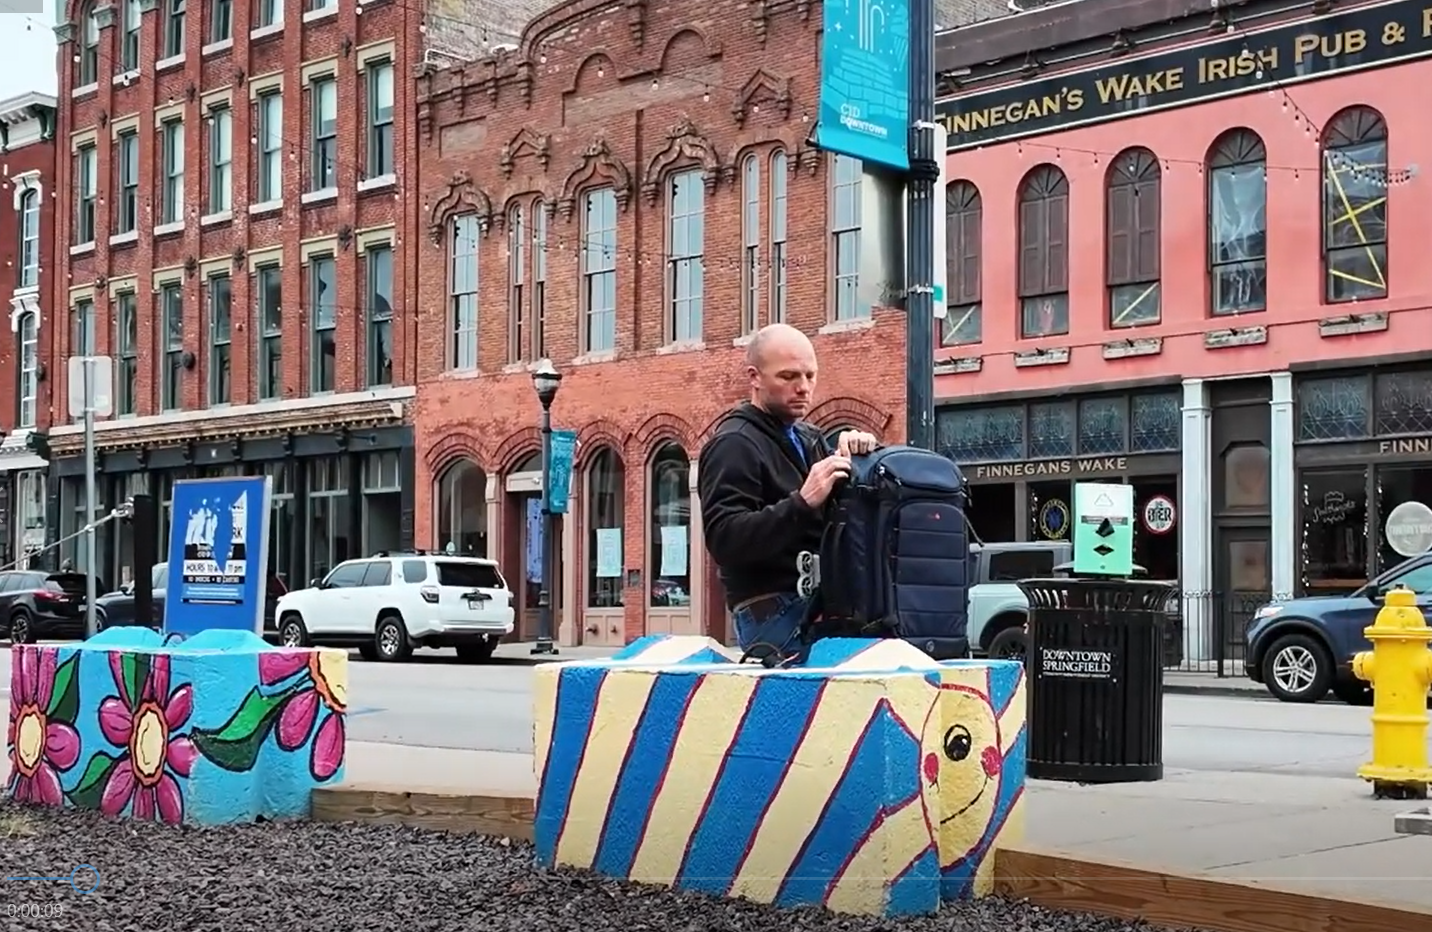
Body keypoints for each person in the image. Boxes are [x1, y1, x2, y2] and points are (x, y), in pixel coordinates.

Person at [698, 324, 879, 652]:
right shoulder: (734, 443)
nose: (803, 387)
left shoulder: (809, 438)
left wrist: (858, 459)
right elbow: (725, 539)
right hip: (772, 610)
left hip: (821, 601)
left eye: (810, 376)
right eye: (788, 376)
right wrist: (802, 502)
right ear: (754, 377)